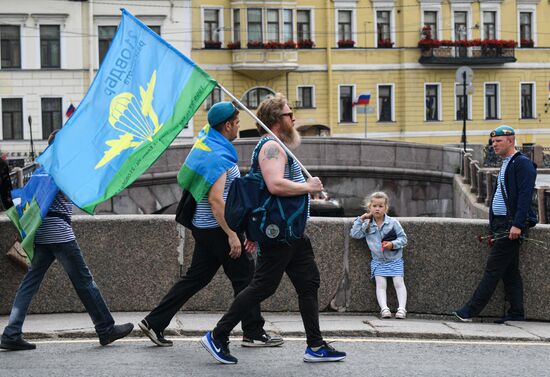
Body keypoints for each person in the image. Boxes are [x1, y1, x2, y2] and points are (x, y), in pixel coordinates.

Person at [200, 93, 346, 364]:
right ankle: (218, 335)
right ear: (277, 120)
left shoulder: (277, 145)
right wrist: (308, 187)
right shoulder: (272, 147)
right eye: (290, 114)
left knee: (309, 283)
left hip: (291, 232)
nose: (294, 119)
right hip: (280, 232)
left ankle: (315, 345)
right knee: (262, 286)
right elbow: (274, 185)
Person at [138, 101, 282, 348]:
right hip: (218, 228)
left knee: (196, 278)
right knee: (245, 279)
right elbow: (216, 200)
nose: (238, 127)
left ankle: (154, 322)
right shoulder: (218, 156)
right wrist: (232, 235)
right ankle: (253, 332)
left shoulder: (206, 144)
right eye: (236, 123)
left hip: (203, 227)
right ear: (227, 125)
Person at [0, 130, 134, 351]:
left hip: (41, 231)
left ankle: (11, 332)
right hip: (60, 233)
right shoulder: (63, 168)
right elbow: (80, 193)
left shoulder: (41, 169)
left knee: (29, 283)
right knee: (84, 281)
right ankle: (105, 328)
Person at [453, 125, 537, 323]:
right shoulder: (507, 162)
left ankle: (469, 311)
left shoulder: (522, 164)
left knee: (493, 269)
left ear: (511, 140)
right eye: (492, 142)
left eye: (498, 141)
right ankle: (517, 313)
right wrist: (494, 228)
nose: (494, 145)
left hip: (511, 224)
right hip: (501, 224)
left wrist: (517, 224)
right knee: (510, 271)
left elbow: (526, 197)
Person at [350, 192, 408, 319]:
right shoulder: (367, 224)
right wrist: (361, 219)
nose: (377, 208)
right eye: (374, 205)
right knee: (380, 285)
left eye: (381, 206)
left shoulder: (393, 223)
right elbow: (355, 234)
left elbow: (403, 239)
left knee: (399, 283)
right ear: (369, 207)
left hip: (395, 259)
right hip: (378, 260)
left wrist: (392, 244)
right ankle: (384, 309)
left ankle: (402, 309)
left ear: (386, 208)